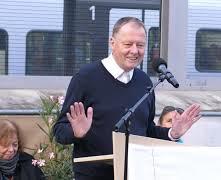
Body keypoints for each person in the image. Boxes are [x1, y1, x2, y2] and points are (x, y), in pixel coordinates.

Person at [53, 16, 201, 180]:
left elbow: (146, 130)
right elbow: (59, 131)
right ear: (112, 42)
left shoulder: (144, 82)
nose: (135, 51)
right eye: (128, 44)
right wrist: (76, 132)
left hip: (136, 173)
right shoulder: (85, 78)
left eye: (140, 45)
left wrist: (172, 133)